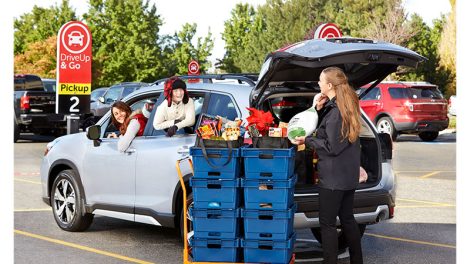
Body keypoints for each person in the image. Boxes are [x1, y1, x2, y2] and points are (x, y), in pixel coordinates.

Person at [291, 67, 363, 264]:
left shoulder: (335, 112)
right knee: (348, 219)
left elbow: (331, 146)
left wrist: (306, 140)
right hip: (347, 176)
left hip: (333, 178)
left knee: (328, 224)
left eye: (321, 81)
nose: (319, 84)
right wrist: (318, 110)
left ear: (330, 85)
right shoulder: (345, 106)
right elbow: (334, 138)